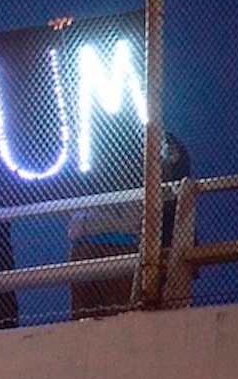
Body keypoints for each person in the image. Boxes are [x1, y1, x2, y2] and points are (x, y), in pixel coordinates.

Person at [69, 131, 193, 318]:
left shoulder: (142, 151)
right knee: (89, 313)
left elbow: (176, 173)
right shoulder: (109, 150)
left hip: (119, 240)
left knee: (113, 311)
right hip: (96, 241)